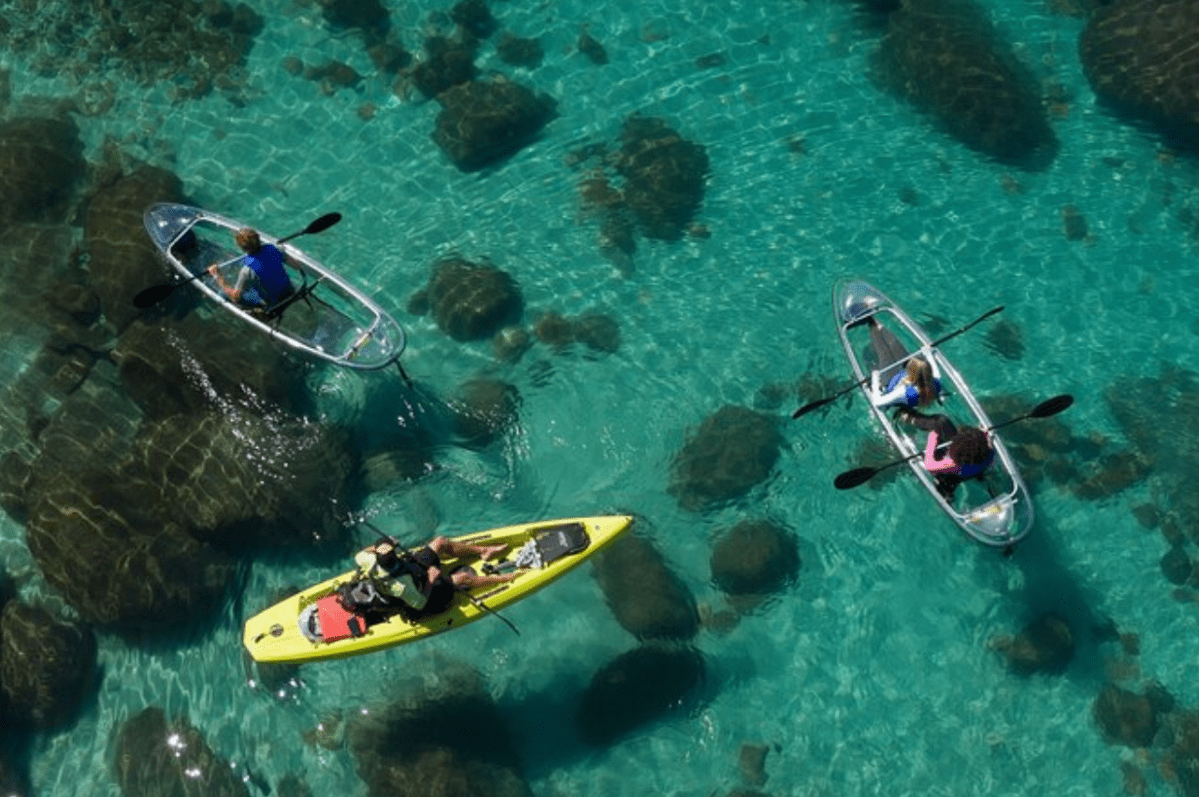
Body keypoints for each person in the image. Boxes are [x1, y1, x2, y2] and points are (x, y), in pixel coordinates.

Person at [353, 535, 518, 617]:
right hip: (422, 592)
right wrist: (431, 579)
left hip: (411, 570)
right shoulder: (400, 585)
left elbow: (361, 553)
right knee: (461, 578)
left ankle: (484, 551)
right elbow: (419, 603)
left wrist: (382, 546)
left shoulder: (367, 559)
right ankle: (505, 578)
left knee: (440, 542)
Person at [894, 407, 995, 500]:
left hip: (949, 476)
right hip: (974, 465)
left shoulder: (953, 463)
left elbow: (929, 465)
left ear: (958, 447)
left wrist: (932, 440)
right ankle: (912, 419)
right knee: (942, 422)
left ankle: (945, 494)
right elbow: (983, 439)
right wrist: (985, 432)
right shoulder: (988, 451)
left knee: (943, 482)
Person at [208, 227, 295, 308]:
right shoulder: (275, 249)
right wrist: (282, 252)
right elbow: (297, 266)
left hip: (273, 302)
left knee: (222, 293)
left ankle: (258, 313)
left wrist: (218, 276)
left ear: (241, 247)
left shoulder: (246, 271)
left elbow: (235, 297)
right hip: (289, 292)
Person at [867, 317, 942, 409]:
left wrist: (875, 378)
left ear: (910, 373)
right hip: (902, 375)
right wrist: (927, 353)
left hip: (890, 379)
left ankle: (872, 323)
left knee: (883, 350)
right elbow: (931, 361)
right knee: (894, 345)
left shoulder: (904, 391)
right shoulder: (936, 381)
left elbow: (877, 402)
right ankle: (875, 324)